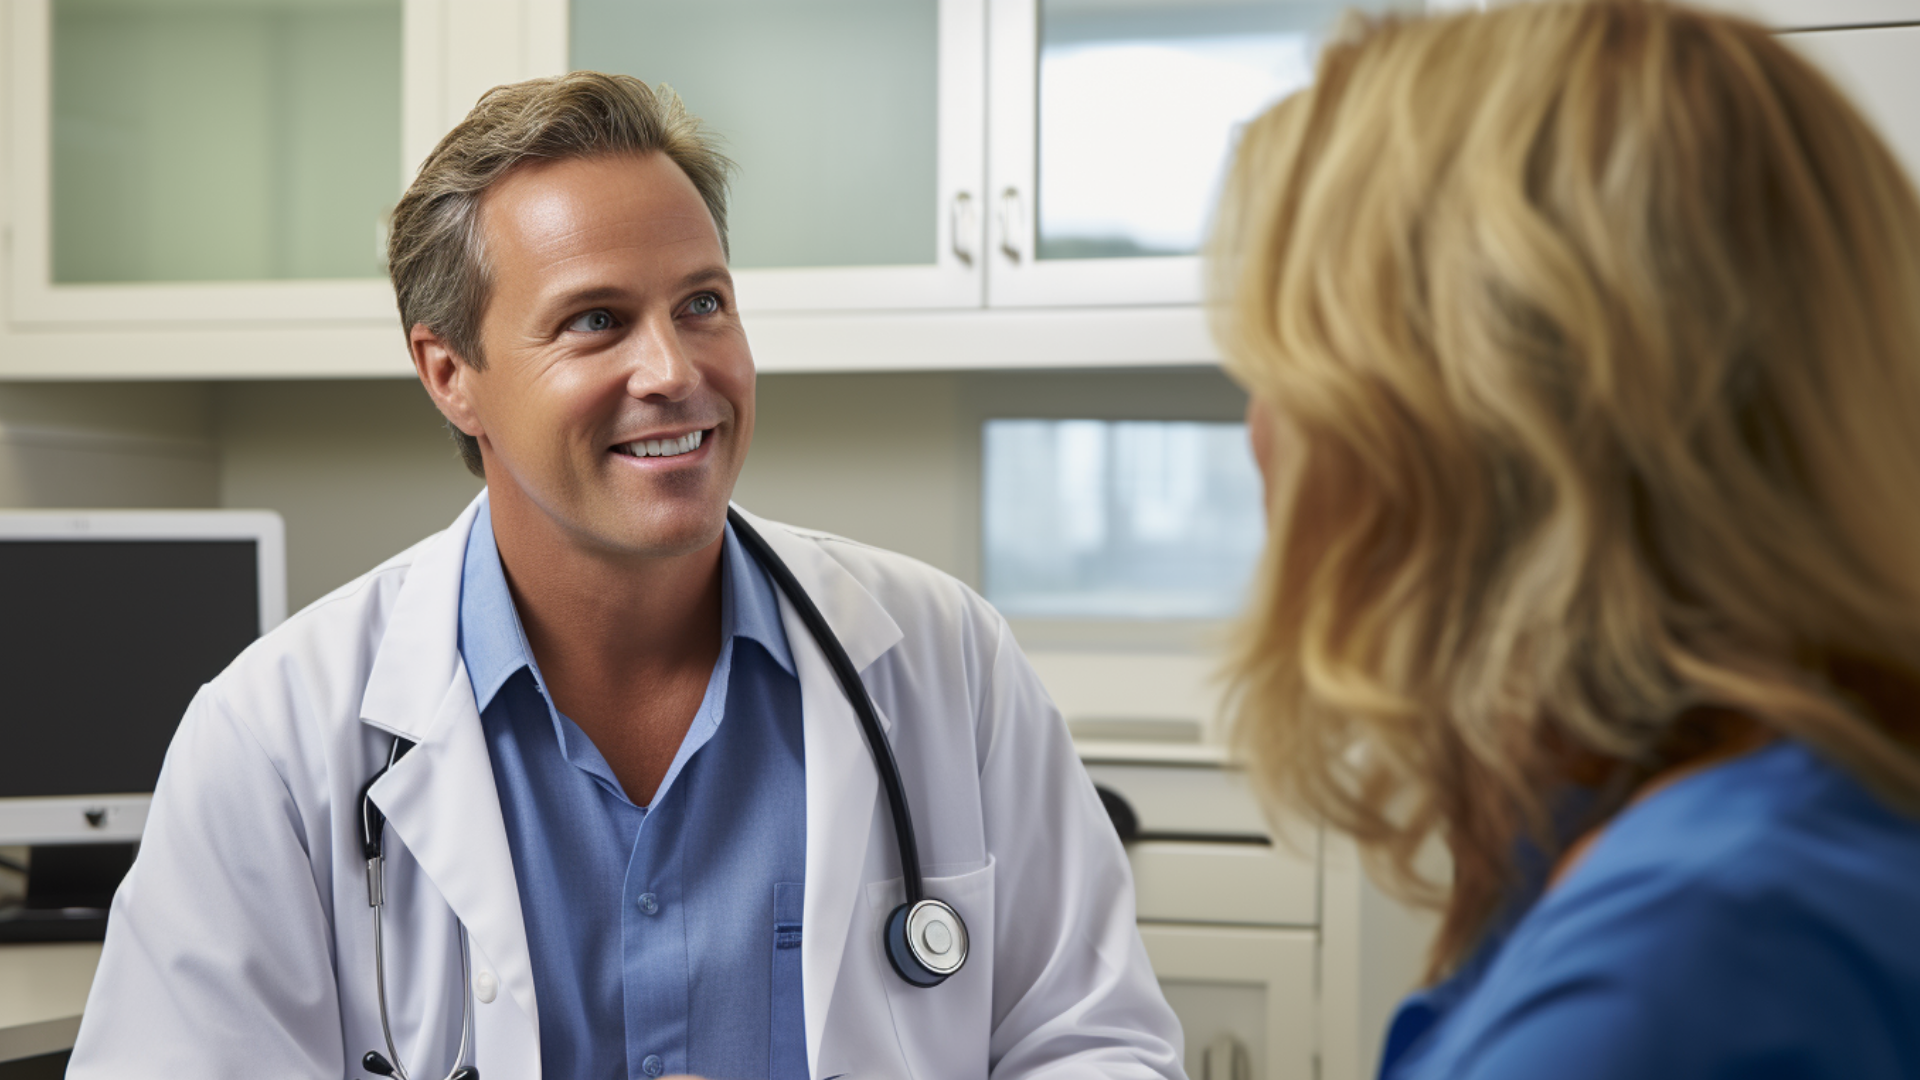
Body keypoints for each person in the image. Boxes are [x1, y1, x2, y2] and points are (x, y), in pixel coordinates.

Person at [68, 73, 1184, 1079]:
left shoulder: (948, 661)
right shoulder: (272, 740)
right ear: (451, 374)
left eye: (703, 303)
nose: (674, 369)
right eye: (596, 321)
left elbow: (1099, 1047)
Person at [1211, 2, 1920, 1077]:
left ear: (1463, 436)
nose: (1262, 436)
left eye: (1284, 378)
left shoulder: (1692, 966)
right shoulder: (1751, 833)